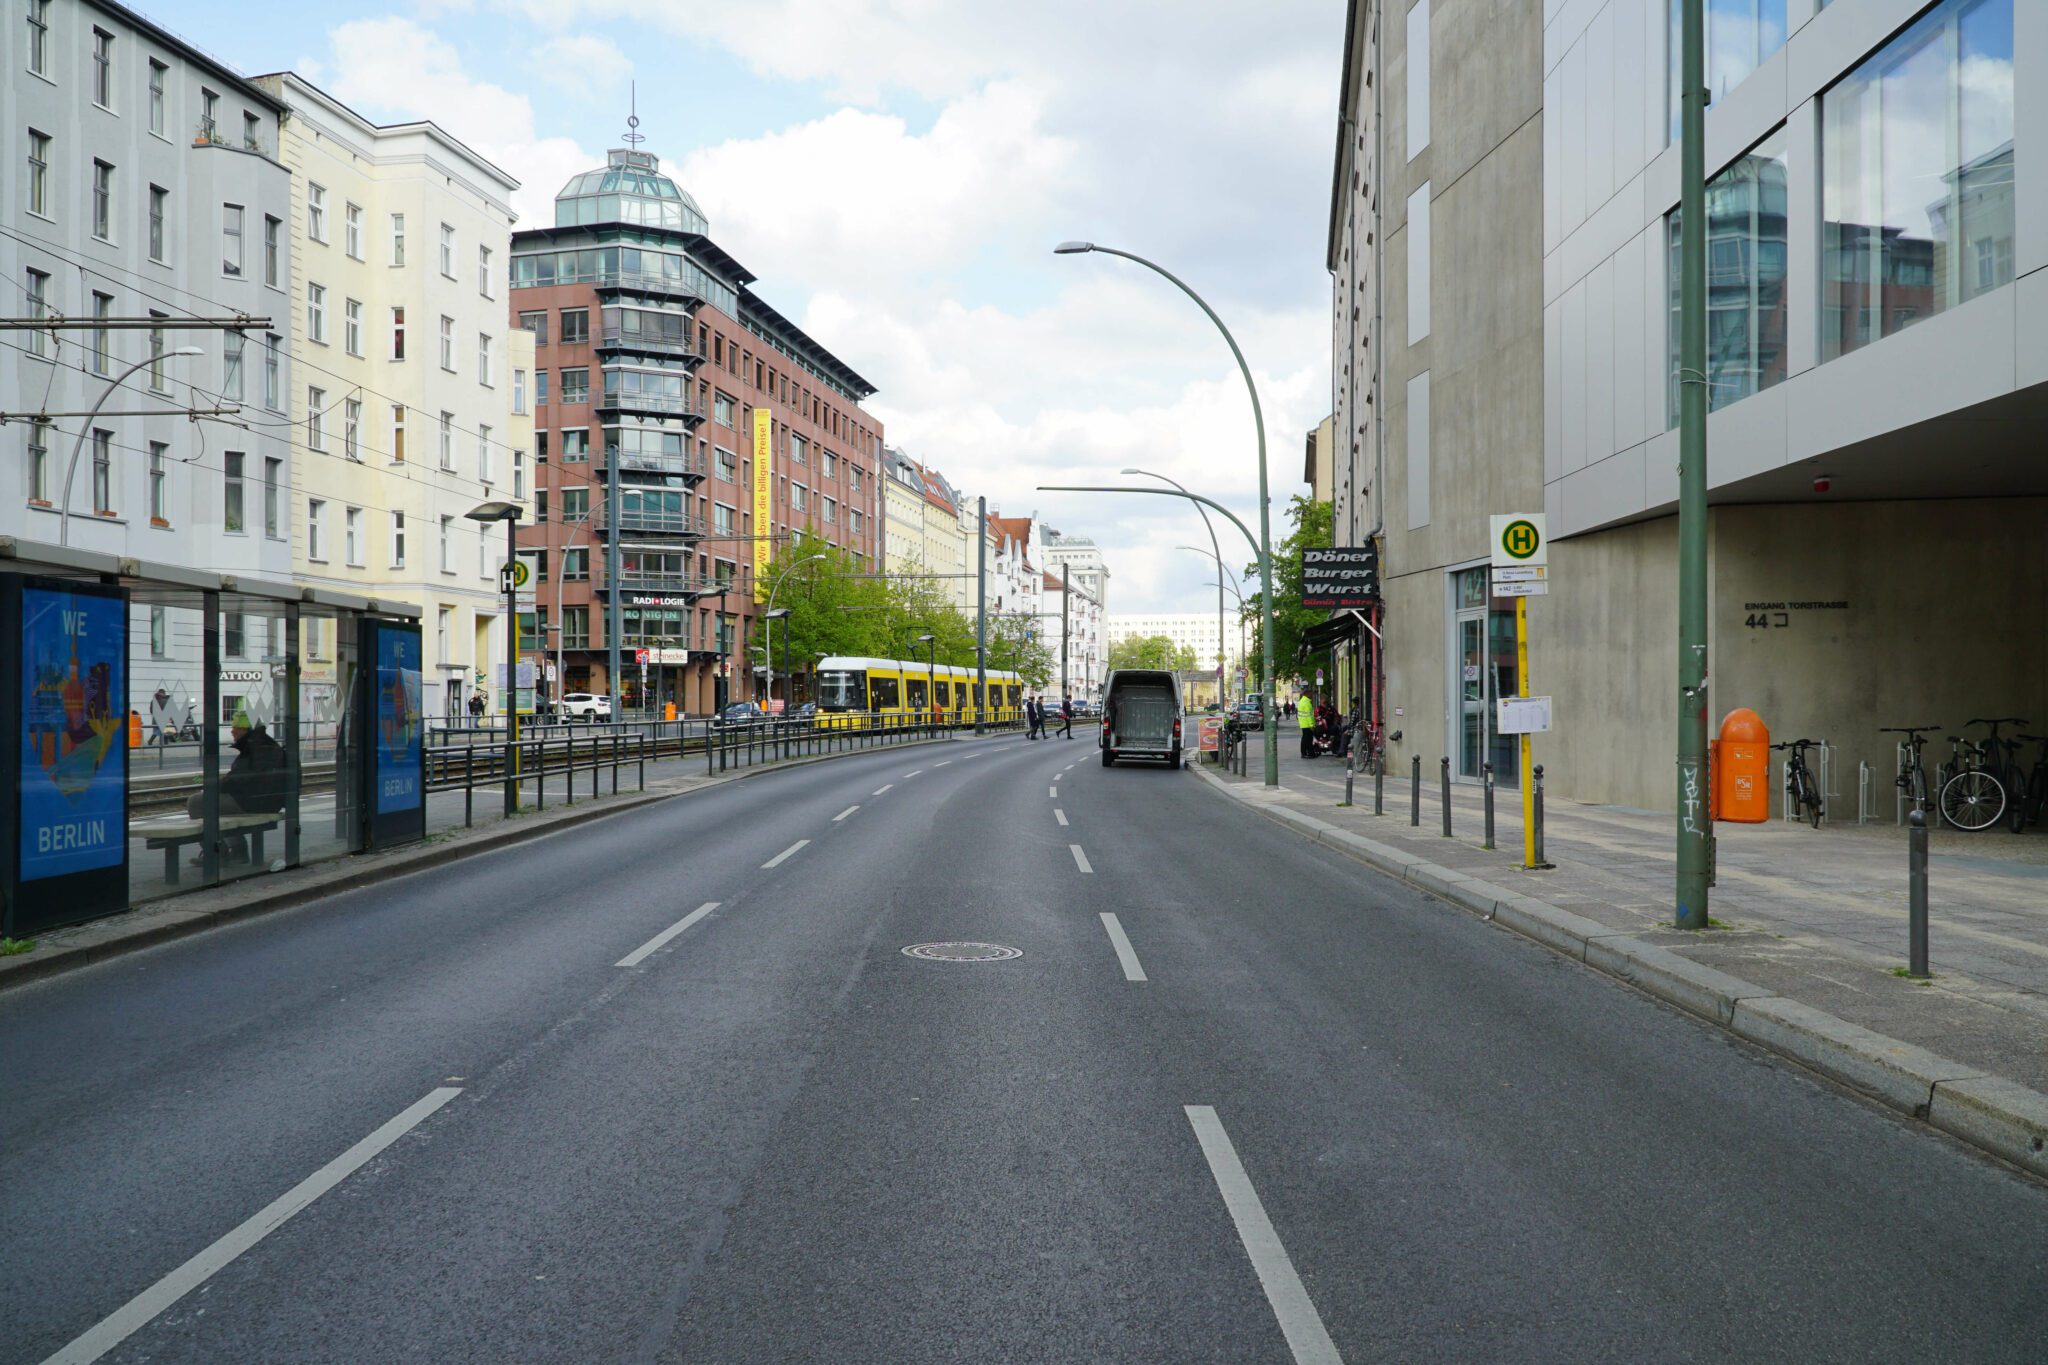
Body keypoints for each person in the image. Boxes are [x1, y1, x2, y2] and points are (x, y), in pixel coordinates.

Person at [187, 711, 287, 866]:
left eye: (237, 727)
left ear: (247, 730)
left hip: (254, 803)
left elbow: (237, 780)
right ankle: (238, 851)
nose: (232, 731)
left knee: (196, 802)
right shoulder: (264, 745)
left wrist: (213, 787)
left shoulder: (255, 748)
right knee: (214, 804)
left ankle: (217, 853)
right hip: (264, 800)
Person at [1297, 692, 1316, 759]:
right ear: (1307, 694)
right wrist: (1311, 725)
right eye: (1310, 694)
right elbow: (1309, 715)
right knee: (1308, 740)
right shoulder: (1307, 703)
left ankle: (1304, 753)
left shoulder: (1301, 701)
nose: (1311, 695)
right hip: (1307, 724)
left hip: (1303, 723)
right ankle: (1310, 753)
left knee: (1304, 739)